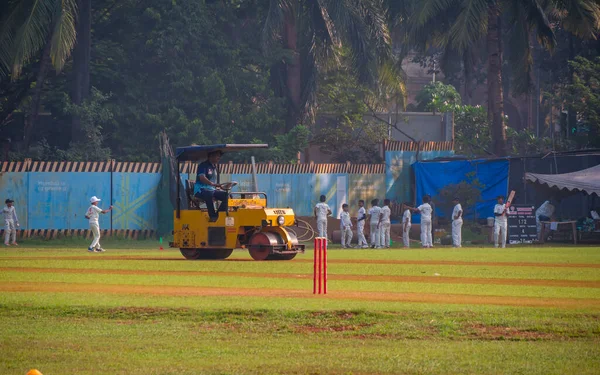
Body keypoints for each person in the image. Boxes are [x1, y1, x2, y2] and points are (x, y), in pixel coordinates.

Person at [194, 150, 228, 222]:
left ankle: (219, 215)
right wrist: (214, 184)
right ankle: (212, 216)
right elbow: (202, 178)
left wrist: (220, 186)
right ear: (211, 156)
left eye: (219, 156)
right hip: (200, 189)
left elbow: (214, 184)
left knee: (227, 195)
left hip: (212, 189)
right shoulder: (203, 165)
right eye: (217, 156)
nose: (219, 158)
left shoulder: (214, 167)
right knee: (208, 194)